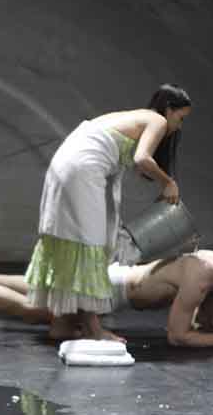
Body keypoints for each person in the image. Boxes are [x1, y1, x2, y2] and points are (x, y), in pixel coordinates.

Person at [26, 84, 191, 342]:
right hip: (81, 169)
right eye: (180, 119)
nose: (178, 127)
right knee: (88, 245)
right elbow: (142, 158)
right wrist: (168, 182)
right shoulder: (157, 120)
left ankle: (62, 324)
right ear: (169, 110)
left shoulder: (136, 116)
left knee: (76, 242)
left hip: (67, 164)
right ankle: (94, 330)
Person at [0, 249, 213, 348]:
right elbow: (177, 335)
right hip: (108, 289)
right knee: (39, 311)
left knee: (46, 289)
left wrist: (211, 326)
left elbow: (205, 314)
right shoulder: (201, 281)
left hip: (115, 278)